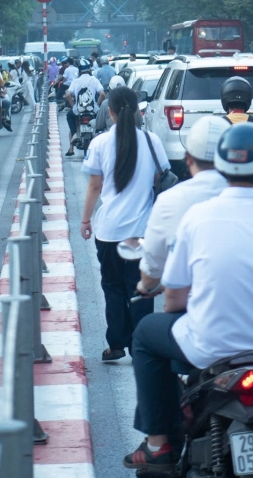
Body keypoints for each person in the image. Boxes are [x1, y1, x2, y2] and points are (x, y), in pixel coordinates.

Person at [125, 122, 253, 471]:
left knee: (146, 334)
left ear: (219, 166)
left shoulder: (196, 217)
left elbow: (174, 302)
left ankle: (158, 444)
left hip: (211, 348)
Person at [80, 86, 167, 361]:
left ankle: (116, 344)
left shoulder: (100, 143)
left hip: (109, 232)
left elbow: (95, 186)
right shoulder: (152, 141)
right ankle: (142, 345)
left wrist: (85, 219)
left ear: (111, 112)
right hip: (143, 231)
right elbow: (160, 177)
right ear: (139, 110)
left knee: (113, 288)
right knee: (141, 289)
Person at [137, 116, 231, 297]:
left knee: (147, 326)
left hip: (196, 314)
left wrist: (146, 286)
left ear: (188, 159)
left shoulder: (169, 201)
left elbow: (150, 276)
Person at [66, 59, 105, 156]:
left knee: (69, 116)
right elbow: (102, 94)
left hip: (78, 110)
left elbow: (67, 95)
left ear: (79, 70)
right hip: (93, 109)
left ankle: (73, 140)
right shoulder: (94, 80)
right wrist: (97, 104)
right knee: (100, 125)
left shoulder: (75, 81)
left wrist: (73, 106)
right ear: (89, 69)